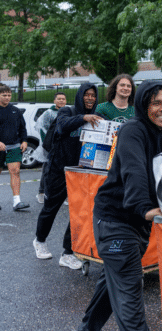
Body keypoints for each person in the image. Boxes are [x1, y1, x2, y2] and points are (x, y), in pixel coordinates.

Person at [78, 80, 162, 331]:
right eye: (156, 103)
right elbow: (134, 170)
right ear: (143, 104)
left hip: (139, 223)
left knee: (113, 286)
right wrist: (144, 206)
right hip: (115, 220)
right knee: (130, 297)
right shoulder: (133, 129)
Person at [33, 83, 104, 269]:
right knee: (51, 208)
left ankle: (67, 252)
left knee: (78, 214)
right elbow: (62, 127)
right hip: (59, 169)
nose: (90, 98)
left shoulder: (98, 117)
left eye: (93, 95)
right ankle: (39, 241)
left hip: (81, 173)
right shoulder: (66, 111)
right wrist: (83, 118)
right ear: (80, 96)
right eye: (86, 95)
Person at [0, 83, 29, 211]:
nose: (7, 97)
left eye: (9, 95)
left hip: (14, 146)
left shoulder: (15, 111)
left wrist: (24, 141)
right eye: (4, 95)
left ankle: (17, 202)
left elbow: (22, 128)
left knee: (15, 171)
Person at [34, 92, 68, 204]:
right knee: (47, 170)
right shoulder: (48, 113)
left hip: (63, 147)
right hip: (51, 147)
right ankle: (42, 192)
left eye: (63, 99)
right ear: (54, 101)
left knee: (62, 172)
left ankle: (60, 195)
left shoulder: (68, 112)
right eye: (59, 99)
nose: (61, 101)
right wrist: (48, 144)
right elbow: (41, 127)